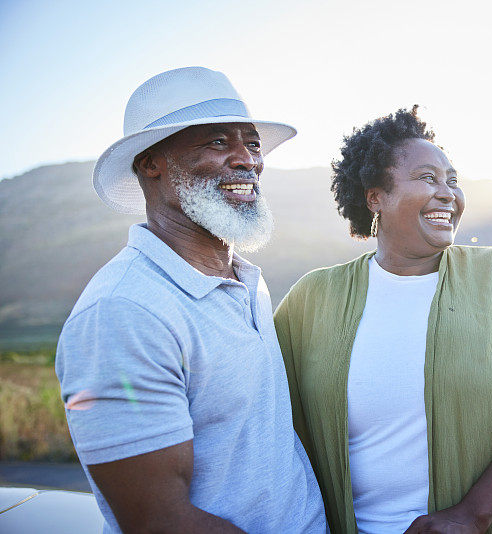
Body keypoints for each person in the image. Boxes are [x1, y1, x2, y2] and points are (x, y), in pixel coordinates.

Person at [274, 106, 492, 533]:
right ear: (375, 196)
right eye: (428, 178)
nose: (448, 193)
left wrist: (470, 516)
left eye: (452, 181)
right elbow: (265, 415)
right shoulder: (312, 299)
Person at [55, 67, 326, 533]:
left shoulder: (246, 281)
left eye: (252, 143)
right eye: (218, 142)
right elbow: (158, 521)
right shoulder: (123, 314)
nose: (247, 160)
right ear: (150, 163)